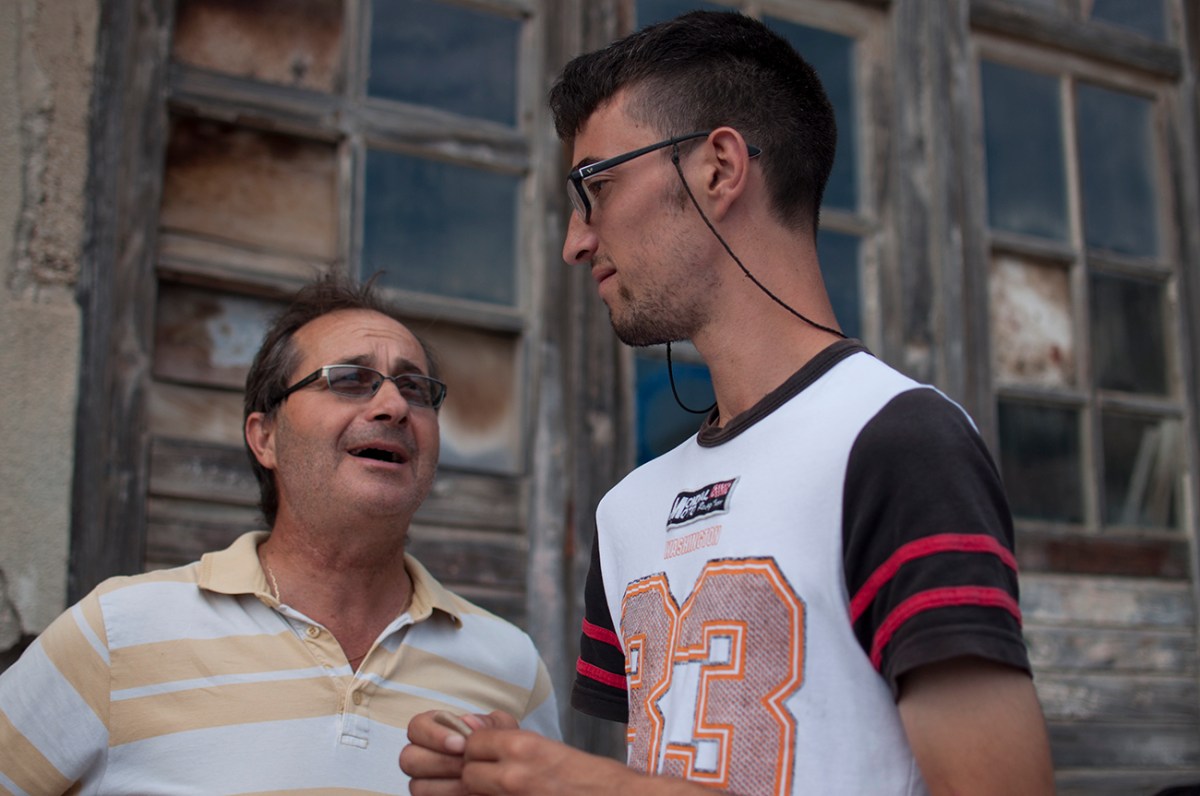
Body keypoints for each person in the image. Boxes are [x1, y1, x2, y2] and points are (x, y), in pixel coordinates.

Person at [401, 10, 1054, 796]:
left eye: (597, 187)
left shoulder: (897, 442)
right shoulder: (625, 512)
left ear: (718, 168)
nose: (576, 241)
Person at [0, 274, 559, 794]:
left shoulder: (510, 667)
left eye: (415, 388)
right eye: (350, 379)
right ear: (264, 437)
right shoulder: (118, 632)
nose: (393, 406)